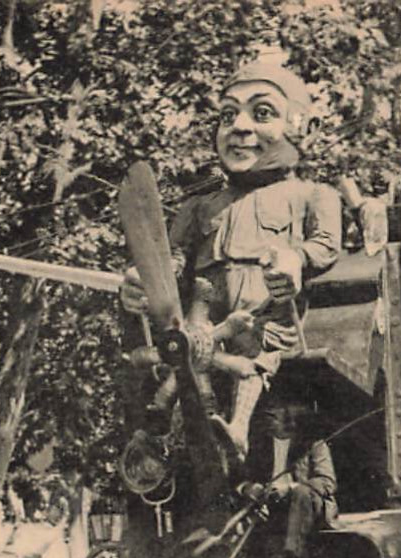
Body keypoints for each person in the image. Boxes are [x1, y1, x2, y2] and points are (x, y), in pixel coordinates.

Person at [121, 57, 341, 459]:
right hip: (200, 327)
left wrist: (295, 259)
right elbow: (174, 260)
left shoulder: (315, 195)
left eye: (261, 113)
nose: (239, 127)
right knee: (174, 367)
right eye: (227, 115)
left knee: (254, 352)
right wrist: (144, 280)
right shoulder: (199, 206)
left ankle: (236, 429)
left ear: (302, 128)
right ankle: (163, 440)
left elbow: (326, 244)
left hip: (266, 322)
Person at [242, 391, 337, 558]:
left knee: (300, 493)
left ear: (286, 418)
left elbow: (327, 482)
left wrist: (291, 487)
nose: (268, 421)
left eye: (273, 416)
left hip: (309, 503)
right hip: (273, 501)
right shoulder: (261, 446)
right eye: (266, 416)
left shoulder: (313, 444)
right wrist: (252, 488)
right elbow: (244, 479)